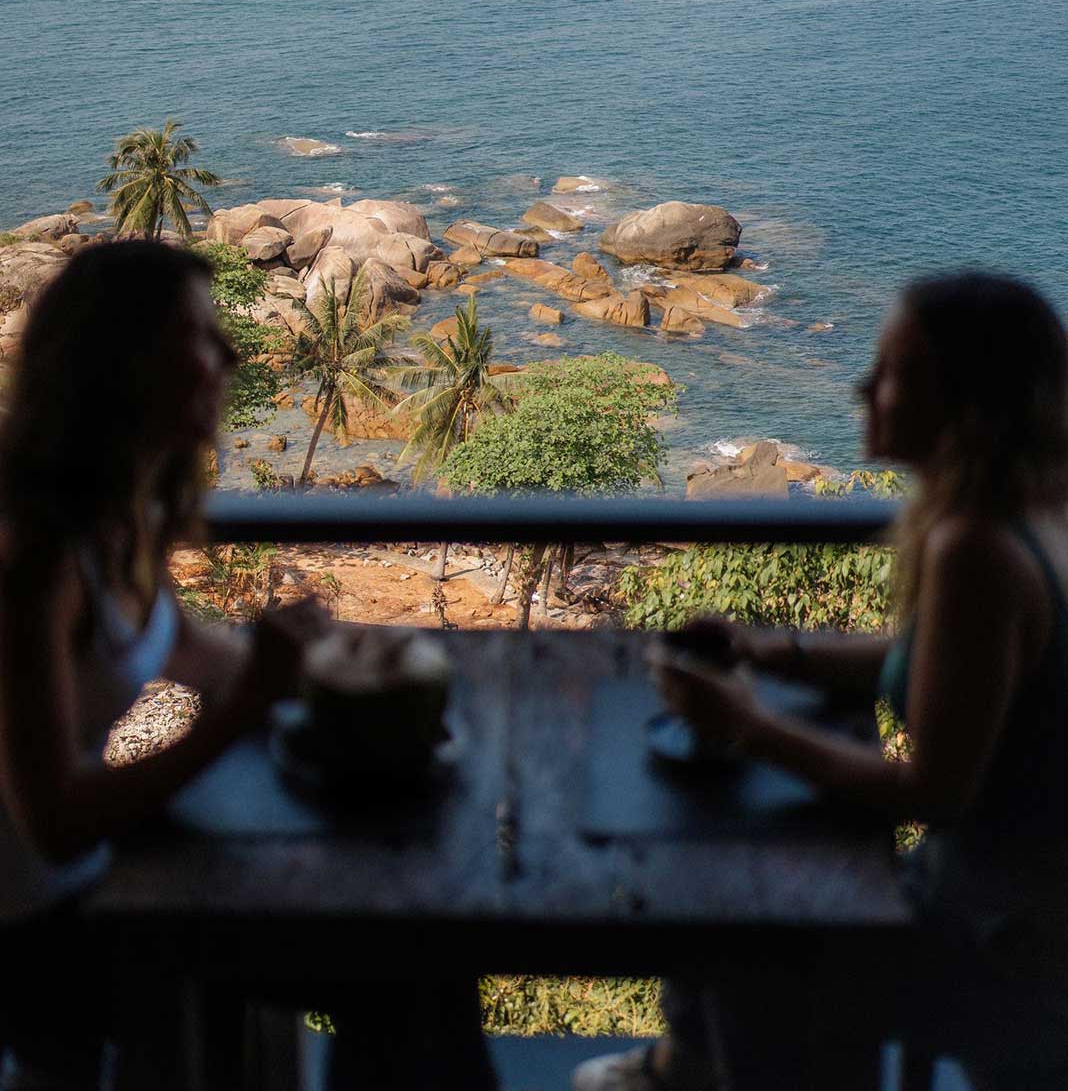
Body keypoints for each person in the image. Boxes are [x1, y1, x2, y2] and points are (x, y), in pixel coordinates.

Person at [0, 241, 497, 1090]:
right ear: (124, 364)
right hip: (43, 924)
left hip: (107, 871)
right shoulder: (36, 558)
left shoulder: (126, 513)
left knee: (414, 943)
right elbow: (53, 820)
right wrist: (243, 708)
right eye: (202, 337)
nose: (231, 356)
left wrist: (334, 659)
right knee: (406, 964)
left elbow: (196, 654)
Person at [574, 272, 1068, 1091]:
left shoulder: (975, 549)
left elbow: (934, 791)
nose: (862, 388)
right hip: (1031, 909)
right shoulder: (1040, 509)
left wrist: (747, 725)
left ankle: (701, 1071)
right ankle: (691, 1063)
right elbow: (944, 662)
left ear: (966, 404)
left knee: (747, 920)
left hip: (1006, 946)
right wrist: (772, 653)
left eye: (892, 372)